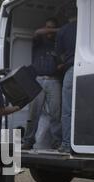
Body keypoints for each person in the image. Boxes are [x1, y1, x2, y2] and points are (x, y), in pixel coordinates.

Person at [22, 17, 62, 150]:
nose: (48, 30)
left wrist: (58, 67)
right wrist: (57, 29)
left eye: (51, 27)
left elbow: (61, 62)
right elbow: (38, 32)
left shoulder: (57, 44)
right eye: (47, 27)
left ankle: (57, 142)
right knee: (33, 113)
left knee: (56, 113)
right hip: (38, 80)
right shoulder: (38, 41)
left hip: (53, 80)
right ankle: (28, 141)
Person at [56, 4, 78, 153]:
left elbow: (59, 54)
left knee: (67, 110)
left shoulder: (63, 30)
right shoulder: (86, 27)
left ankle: (66, 144)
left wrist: (63, 63)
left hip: (71, 69)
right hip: (90, 69)